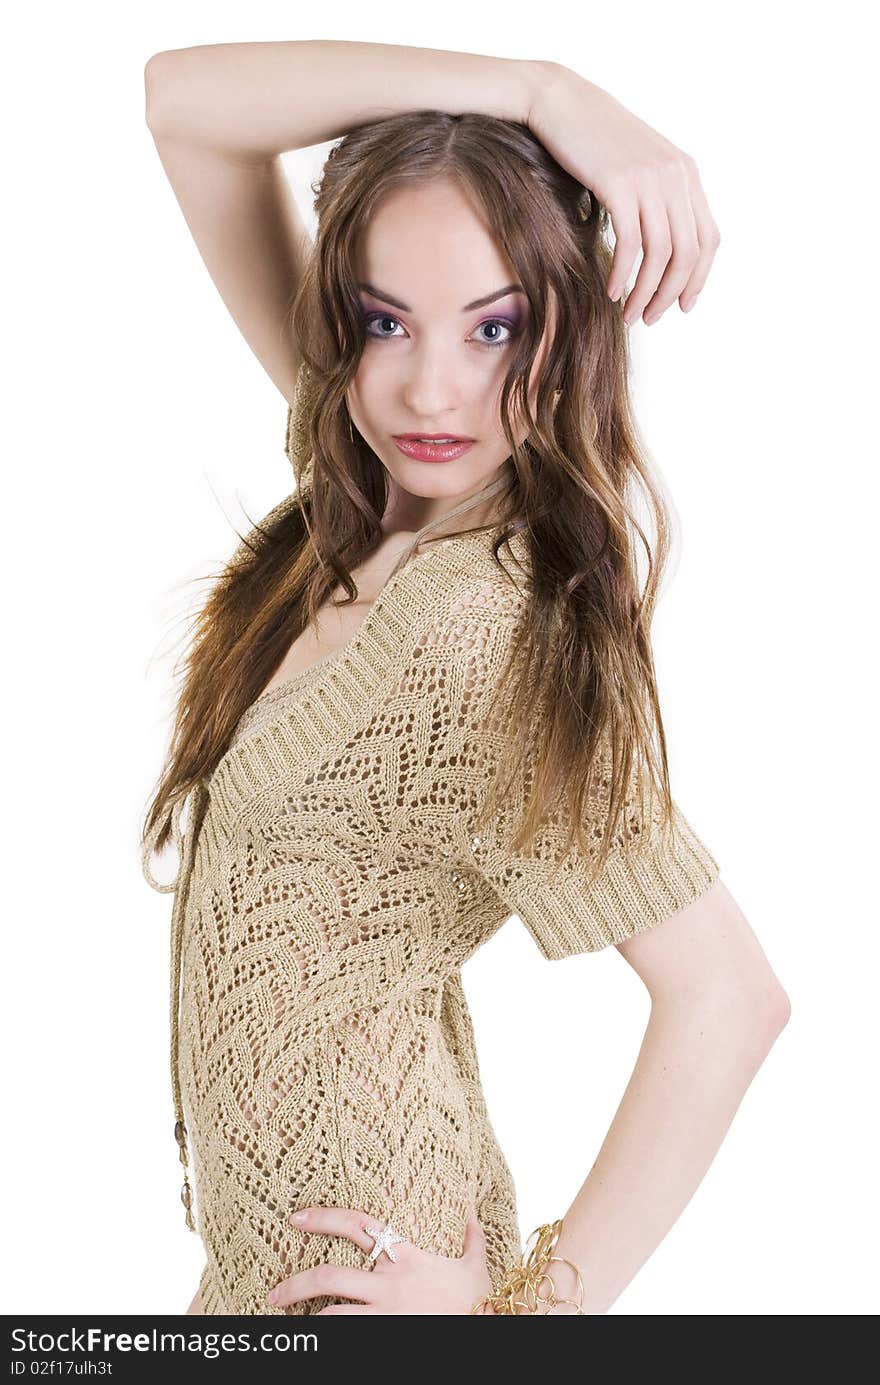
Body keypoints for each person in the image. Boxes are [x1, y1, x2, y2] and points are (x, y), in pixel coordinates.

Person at [141, 40, 789, 1316]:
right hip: (260, 1284)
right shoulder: (367, 495)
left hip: (381, 1275)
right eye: (386, 319)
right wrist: (541, 90)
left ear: (568, 333)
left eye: (496, 329)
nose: (431, 386)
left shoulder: (489, 633)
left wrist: (530, 1319)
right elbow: (183, 105)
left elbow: (728, 998)